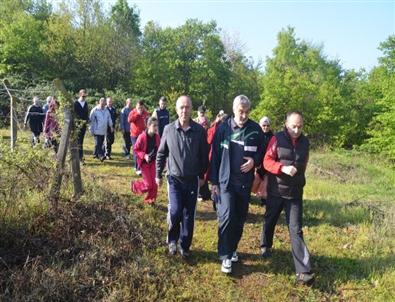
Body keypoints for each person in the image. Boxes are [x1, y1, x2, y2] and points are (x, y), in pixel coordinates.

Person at [210, 95, 264, 274]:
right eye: (241, 111)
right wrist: (214, 182)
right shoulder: (223, 128)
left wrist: (254, 162)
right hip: (226, 182)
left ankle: (232, 249)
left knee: (239, 219)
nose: (244, 115)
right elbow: (215, 156)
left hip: (244, 184)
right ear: (234, 110)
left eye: (247, 112)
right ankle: (225, 256)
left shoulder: (256, 130)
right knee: (226, 217)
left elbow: (263, 154)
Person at [261, 111, 314, 285]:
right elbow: (266, 161)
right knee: (270, 220)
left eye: (300, 126)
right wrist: (282, 168)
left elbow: (303, 163)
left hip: (295, 194)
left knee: (296, 229)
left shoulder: (305, 142)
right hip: (276, 191)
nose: (297, 130)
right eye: (293, 126)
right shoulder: (276, 139)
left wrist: (300, 180)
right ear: (286, 124)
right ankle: (265, 245)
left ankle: (303, 272)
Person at [156, 95, 209, 257]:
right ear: (176, 109)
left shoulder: (199, 131)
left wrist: (202, 176)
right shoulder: (169, 129)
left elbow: (204, 155)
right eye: (181, 107)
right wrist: (158, 174)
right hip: (174, 179)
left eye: (187, 107)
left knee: (188, 215)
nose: (184, 110)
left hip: (192, 180)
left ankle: (185, 245)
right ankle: (172, 240)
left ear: (191, 109)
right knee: (175, 211)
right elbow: (161, 153)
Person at [131, 117, 161, 204]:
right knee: (148, 185)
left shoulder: (157, 137)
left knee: (154, 185)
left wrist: (164, 162)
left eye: (157, 126)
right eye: (154, 125)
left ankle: (150, 201)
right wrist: (144, 156)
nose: (156, 128)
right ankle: (135, 186)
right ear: (148, 126)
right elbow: (135, 149)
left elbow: (160, 150)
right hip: (144, 164)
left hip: (153, 163)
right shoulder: (142, 137)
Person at [128, 100, 150, 175]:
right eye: (139, 107)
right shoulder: (133, 112)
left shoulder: (145, 113)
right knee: (136, 151)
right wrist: (137, 113)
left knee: (142, 151)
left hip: (143, 135)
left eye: (142, 107)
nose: (140, 109)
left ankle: (138, 166)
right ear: (136, 106)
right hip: (134, 135)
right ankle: (138, 168)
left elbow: (148, 121)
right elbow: (129, 120)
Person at [257, 116, 274, 206]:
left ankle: (264, 200)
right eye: (264, 125)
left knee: (266, 182)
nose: (266, 127)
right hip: (258, 162)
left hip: (268, 163)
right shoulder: (256, 135)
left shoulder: (273, 137)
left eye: (267, 125)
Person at [74, 89, 90, 164]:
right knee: (78, 141)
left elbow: (86, 114)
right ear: (80, 95)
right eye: (83, 96)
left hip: (83, 125)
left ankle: (80, 157)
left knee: (81, 141)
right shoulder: (76, 103)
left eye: (85, 96)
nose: (84, 97)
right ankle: (80, 158)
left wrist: (87, 122)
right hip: (77, 125)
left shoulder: (86, 104)